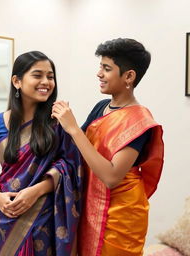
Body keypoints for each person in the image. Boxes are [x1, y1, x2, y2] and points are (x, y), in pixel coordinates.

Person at [52, 38, 164, 256]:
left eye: (106, 68)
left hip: (120, 216)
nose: (99, 74)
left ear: (129, 76)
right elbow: (77, 148)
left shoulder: (139, 120)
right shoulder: (101, 107)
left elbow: (112, 176)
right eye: (100, 67)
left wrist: (74, 128)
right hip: (91, 203)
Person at [0, 51, 82, 256]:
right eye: (37, 75)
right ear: (17, 81)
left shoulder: (58, 121)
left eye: (50, 76)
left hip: (45, 220)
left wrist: (35, 191)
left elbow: (71, 168)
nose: (46, 81)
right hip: (6, 219)